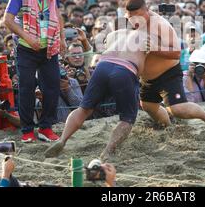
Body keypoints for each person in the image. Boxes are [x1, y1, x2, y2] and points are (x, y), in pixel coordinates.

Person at [45, 24, 148, 160]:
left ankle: (62, 139)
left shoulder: (114, 34)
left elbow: (104, 49)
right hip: (125, 70)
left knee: (83, 109)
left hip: (103, 65)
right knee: (127, 118)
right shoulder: (146, 38)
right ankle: (108, 151)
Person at [125, 0, 205, 132]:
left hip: (168, 73)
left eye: (139, 16)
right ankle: (168, 128)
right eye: (131, 17)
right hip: (146, 78)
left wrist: (155, 48)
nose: (135, 21)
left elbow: (176, 53)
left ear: (146, 11)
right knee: (148, 105)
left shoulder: (161, 25)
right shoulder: (127, 23)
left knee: (177, 108)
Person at [4, 0, 67, 143]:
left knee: (52, 86)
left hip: (49, 47)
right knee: (27, 88)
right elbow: (7, 20)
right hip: (26, 49)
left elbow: (57, 13)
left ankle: (46, 127)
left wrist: (61, 37)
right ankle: (27, 130)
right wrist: (27, 37)